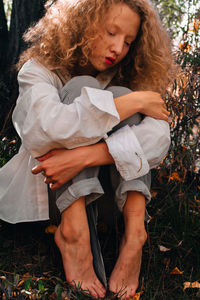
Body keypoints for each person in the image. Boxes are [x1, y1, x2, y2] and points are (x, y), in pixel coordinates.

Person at [0, 0, 176, 298]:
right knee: (86, 87)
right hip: (51, 190)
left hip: (112, 197)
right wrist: (132, 102)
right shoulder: (38, 71)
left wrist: (86, 156)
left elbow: (159, 141)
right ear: (82, 23)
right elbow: (48, 129)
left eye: (128, 42)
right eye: (111, 32)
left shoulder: (128, 78)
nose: (118, 48)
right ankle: (75, 234)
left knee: (118, 92)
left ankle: (135, 235)